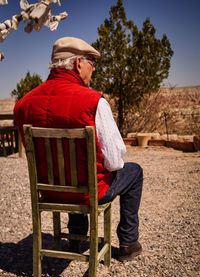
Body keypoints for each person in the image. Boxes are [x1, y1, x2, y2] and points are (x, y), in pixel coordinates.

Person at [14, 37, 143, 262]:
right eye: (92, 62)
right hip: (87, 194)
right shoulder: (94, 101)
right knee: (134, 171)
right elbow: (114, 161)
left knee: (73, 172)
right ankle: (128, 243)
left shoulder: (23, 104)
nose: (93, 68)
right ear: (77, 64)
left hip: (49, 191)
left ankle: (76, 239)